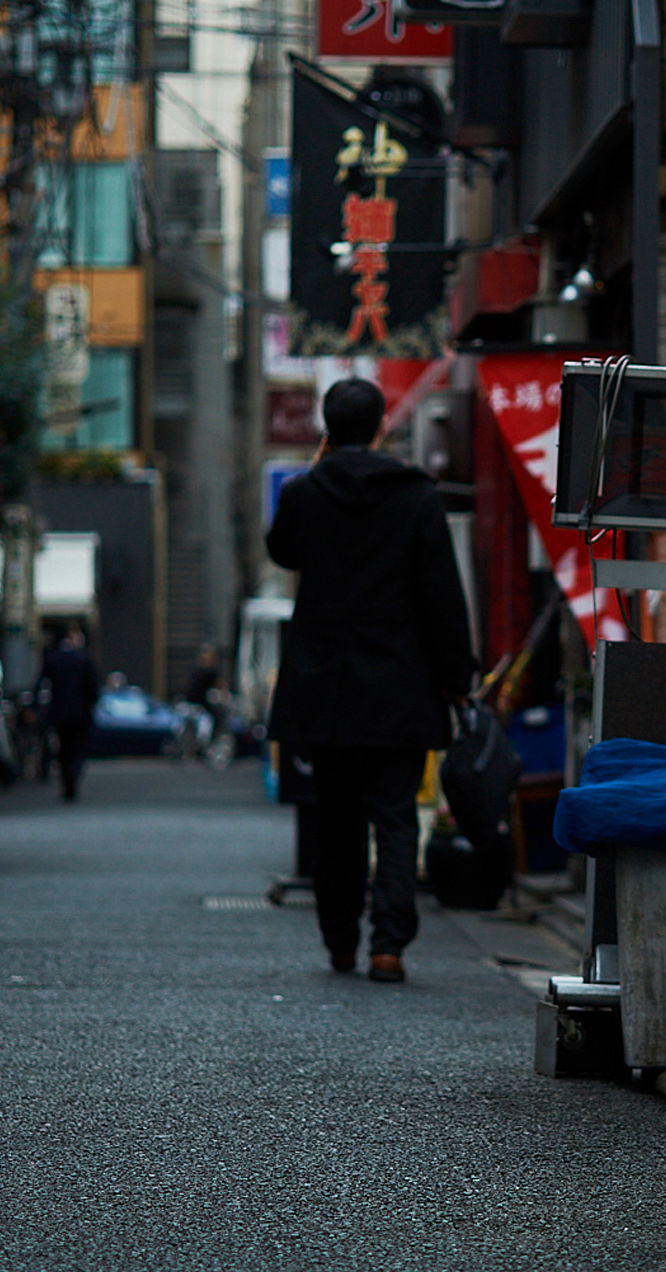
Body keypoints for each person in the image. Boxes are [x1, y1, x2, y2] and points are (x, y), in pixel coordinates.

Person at [265, 378, 474, 983]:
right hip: (400, 686)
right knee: (396, 816)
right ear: (383, 424)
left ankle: (339, 942)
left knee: (336, 819)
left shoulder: (307, 493)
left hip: (326, 690)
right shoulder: (416, 497)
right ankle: (389, 945)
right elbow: (442, 597)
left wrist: (317, 466)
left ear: (326, 430)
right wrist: (456, 678)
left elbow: (282, 551)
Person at [38, 624, 101, 802]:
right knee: (77, 748)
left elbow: (41, 685)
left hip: (58, 712)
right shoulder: (83, 659)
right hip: (80, 712)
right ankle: (73, 776)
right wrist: (91, 703)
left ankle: (66, 780)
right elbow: (93, 686)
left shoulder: (51, 659)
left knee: (63, 748)